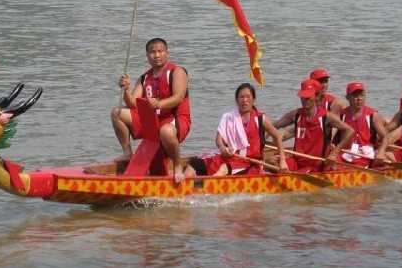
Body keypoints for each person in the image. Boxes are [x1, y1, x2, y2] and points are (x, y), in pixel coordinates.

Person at [111, 38, 191, 183]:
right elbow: (132, 103)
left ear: (167, 53)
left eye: (160, 51)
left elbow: (178, 97)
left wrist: (159, 104)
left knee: (166, 131)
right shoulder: (144, 78)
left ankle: (177, 166)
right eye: (152, 52)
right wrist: (126, 89)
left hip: (176, 119)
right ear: (147, 55)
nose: (157, 55)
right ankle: (128, 152)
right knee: (117, 112)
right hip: (151, 121)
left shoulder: (177, 72)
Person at [183, 83, 288, 177]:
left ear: (253, 100)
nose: (245, 100)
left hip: (249, 162)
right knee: (194, 163)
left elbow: (278, 137)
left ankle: (210, 186)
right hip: (228, 157)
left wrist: (283, 161)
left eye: (248, 97)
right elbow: (219, 139)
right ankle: (184, 186)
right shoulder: (228, 117)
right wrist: (222, 147)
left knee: (224, 168)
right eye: (241, 97)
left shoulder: (261, 118)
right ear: (237, 100)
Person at [274, 79, 355, 173]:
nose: (305, 100)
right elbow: (274, 126)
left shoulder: (326, 116)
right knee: (270, 161)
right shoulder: (295, 114)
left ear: (317, 96)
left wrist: (335, 152)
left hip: (317, 164)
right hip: (297, 161)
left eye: (308, 97)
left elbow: (350, 130)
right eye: (303, 97)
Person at [336, 82, 388, 167]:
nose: (359, 99)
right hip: (346, 151)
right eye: (355, 96)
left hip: (365, 153)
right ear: (347, 98)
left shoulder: (372, 115)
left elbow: (385, 137)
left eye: (362, 95)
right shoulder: (341, 114)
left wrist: (381, 152)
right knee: (331, 164)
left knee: (355, 166)